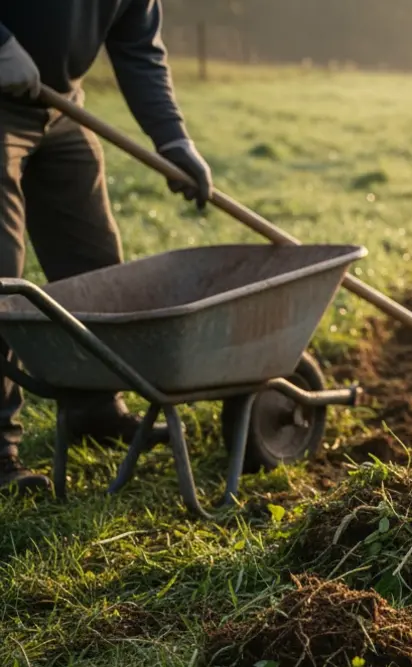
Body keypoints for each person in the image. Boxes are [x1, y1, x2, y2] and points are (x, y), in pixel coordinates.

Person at [0, 1, 213, 494]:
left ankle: (93, 407)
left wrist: (173, 139)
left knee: (93, 263)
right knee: (2, 277)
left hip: (57, 104)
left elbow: (138, 48)